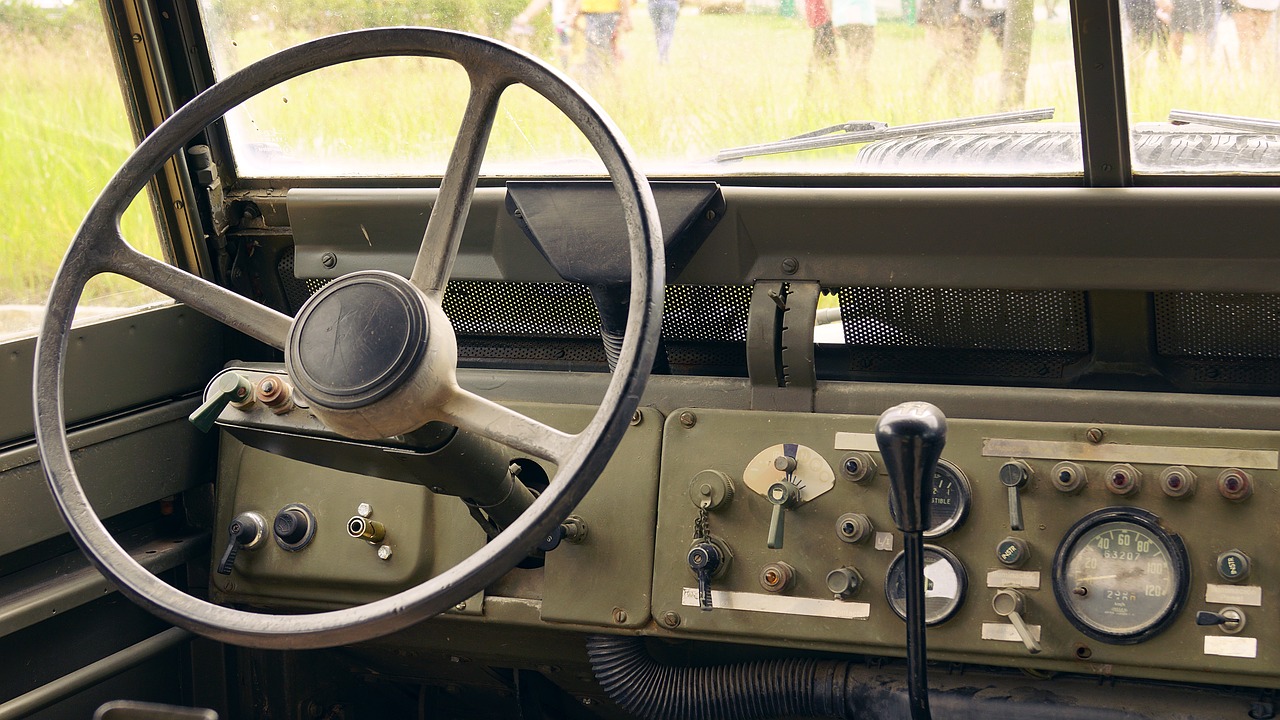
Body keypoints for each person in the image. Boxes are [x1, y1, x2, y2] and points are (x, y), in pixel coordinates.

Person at [510, 0, 576, 68]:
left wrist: (572, 15)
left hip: (572, 25)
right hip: (562, 26)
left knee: (568, 52)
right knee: (562, 53)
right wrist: (525, 16)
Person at [831, 0, 876, 86]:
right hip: (862, 17)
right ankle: (859, 89)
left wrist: (834, 19)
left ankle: (856, 87)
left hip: (842, 18)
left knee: (853, 57)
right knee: (861, 61)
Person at [1232, 0, 1278, 71]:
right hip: (1248, 5)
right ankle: (1247, 73)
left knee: (1256, 42)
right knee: (1247, 42)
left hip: (1265, 5)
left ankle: (1254, 74)